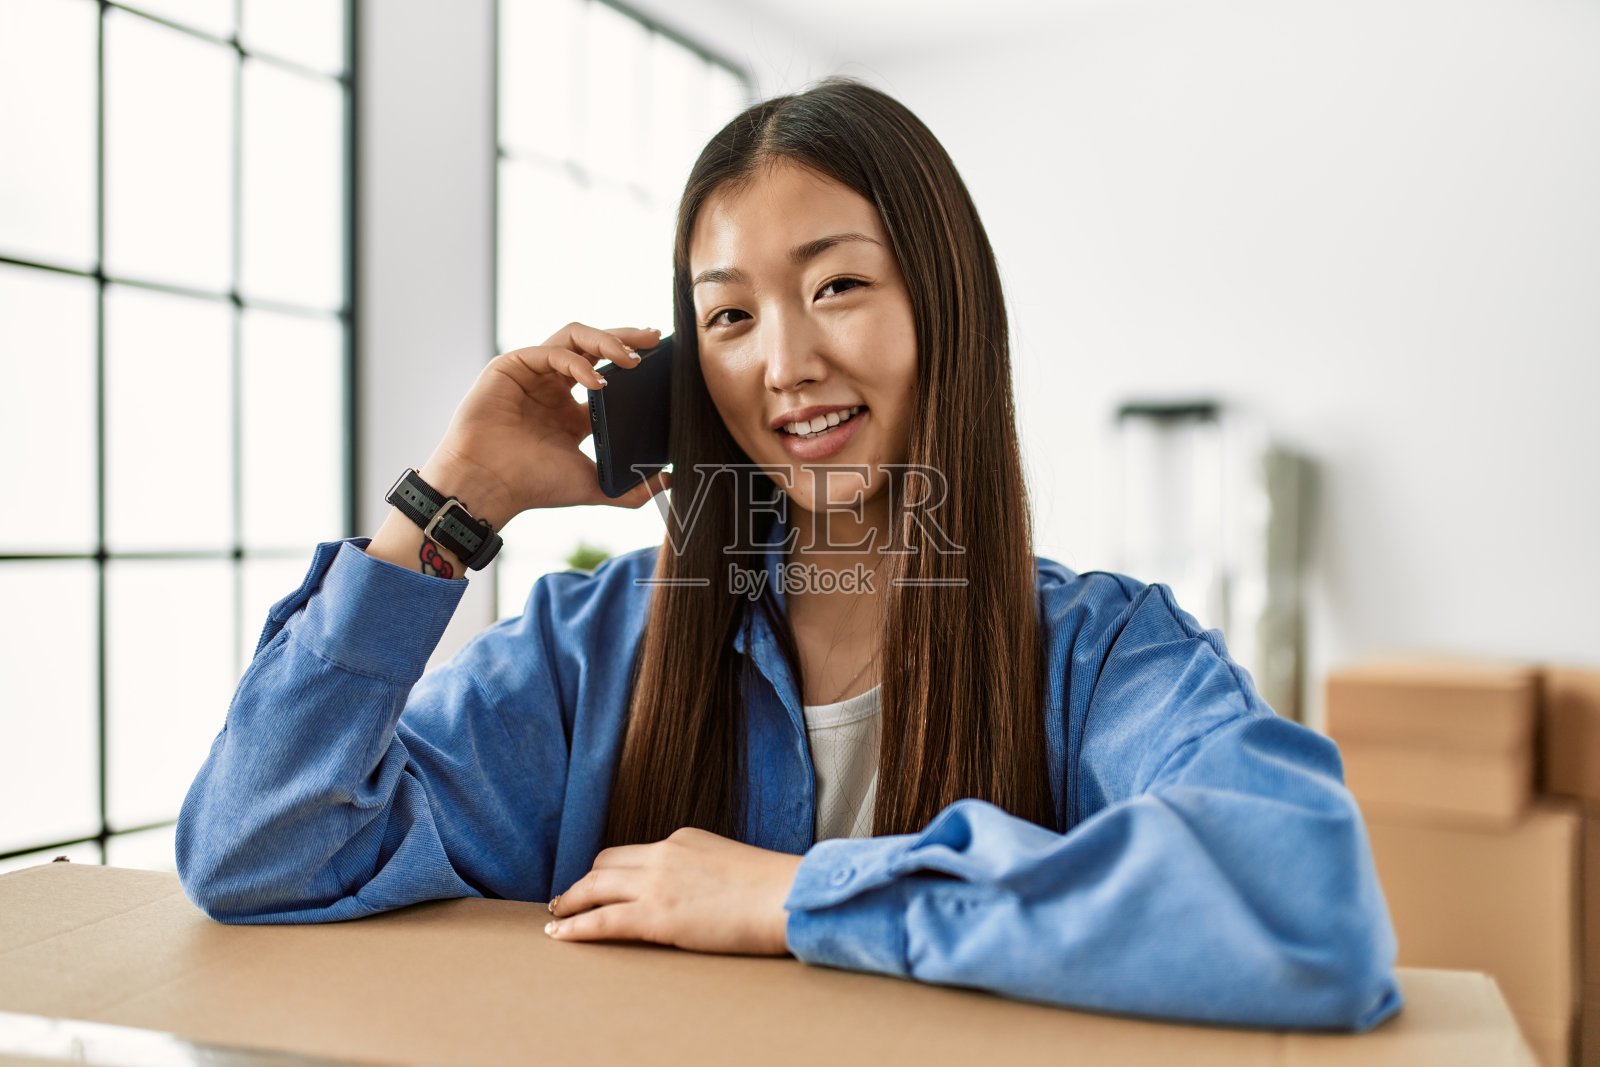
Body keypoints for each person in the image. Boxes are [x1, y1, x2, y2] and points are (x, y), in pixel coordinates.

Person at [175, 76, 1402, 1032]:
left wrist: (787, 894)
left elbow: (1299, 902)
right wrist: (446, 506)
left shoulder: (1103, 652)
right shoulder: (592, 649)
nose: (785, 362)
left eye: (838, 285)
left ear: (944, 309)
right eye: (730, 315)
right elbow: (262, 846)